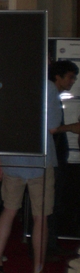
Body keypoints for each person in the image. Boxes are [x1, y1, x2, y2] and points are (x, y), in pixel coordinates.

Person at [0, 68, 80, 273]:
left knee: (9, 211)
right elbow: (52, 127)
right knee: (41, 218)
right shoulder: (47, 88)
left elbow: (0, 125)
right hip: (39, 159)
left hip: (12, 157)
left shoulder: (8, 86)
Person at [47, 60, 79, 257]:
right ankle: (48, 247)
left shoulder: (53, 94)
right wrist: (72, 128)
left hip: (56, 156)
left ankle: (50, 245)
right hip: (53, 158)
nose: (72, 81)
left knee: (53, 203)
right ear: (58, 76)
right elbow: (51, 128)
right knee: (50, 204)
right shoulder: (50, 93)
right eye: (70, 77)